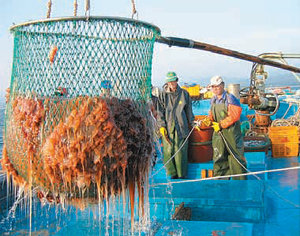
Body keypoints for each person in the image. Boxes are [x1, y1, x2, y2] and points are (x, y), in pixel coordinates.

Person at [157, 72, 194, 179]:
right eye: (170, 81)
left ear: (177, 80)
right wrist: (161, 126)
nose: (172, 83)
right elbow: (160, 112)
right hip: (168, 127)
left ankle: (182, 175)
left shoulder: (184, 94)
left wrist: (192, 123)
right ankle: (172, 174)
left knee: (180, 151)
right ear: (167, 82)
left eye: (174, 81)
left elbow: (189, 111)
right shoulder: (163, 95)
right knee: (168, 151)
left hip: (181, 127)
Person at [208, 75, 247, 180]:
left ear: (223, 85)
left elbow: (235, 115)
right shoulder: (213, 100)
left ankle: (239, 181)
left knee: (236, 156)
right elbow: (211, 115)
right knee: (219, 155)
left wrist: (220, 124)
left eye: (217, 86)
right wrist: (208, 121)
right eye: (213, 87)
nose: (215, 89)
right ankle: (221, 180)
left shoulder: (231, 98)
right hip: (218, 134)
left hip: (232, 133)